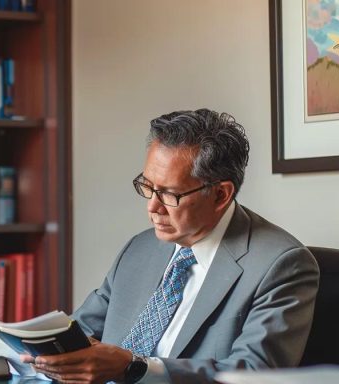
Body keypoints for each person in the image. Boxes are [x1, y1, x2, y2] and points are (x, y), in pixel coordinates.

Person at [24, 109, 320, 383]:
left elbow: (254, 374)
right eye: (148, 186)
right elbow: (80, 332)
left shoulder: (280, 264)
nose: (152, 207)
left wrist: (133, 367)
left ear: (220, 195)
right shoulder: (139, 249)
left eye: (169, 194)